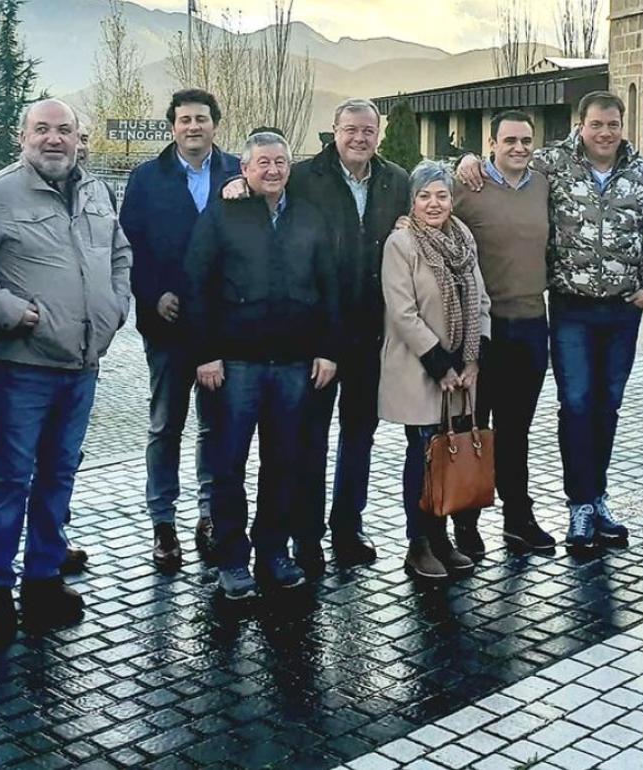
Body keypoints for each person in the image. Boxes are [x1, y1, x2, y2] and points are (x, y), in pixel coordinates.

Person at [458, 90, 643, 551]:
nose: (605, 132)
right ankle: (574, 506)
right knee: (574, 404)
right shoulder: (552, 164)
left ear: (621, 126)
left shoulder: (642, 172)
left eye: (613, 124)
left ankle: (596, 498)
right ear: (581, 125)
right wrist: (468, 159)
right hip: (569, 308)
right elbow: (504, 162)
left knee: (605, 406)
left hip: (619, 311)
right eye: (597, 124)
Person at [0, 98, 132, 645]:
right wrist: (9, 311)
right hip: (23, 366)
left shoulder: (96, 191)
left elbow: (120, 254)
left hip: (83, 365)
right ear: (22, 135)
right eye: (42, 130)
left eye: (65, 130)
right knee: (11, 476)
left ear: (81, 138)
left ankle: (42, 577)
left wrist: (115, 307)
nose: (54, 139)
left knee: (60, 472)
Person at [224, 99, 410, 577]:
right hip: (317, 332)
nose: (360, 139)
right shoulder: (307, 177)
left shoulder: (396, 181)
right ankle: (305, 533)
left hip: (373, 331)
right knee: (307, 438)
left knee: (359, 435)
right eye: (351, 130)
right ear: (334, 131)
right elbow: (265, 193)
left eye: (368, 131)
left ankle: (348, 525)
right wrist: (238, 185)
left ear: (378, 135)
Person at [182, 131, 340, 600]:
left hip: (294, 364)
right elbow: (197, 284)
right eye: (263, 163)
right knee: (228, 465)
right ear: (244, 170)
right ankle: (232, 558)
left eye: (280, 162)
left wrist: (328, 349)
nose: (273, 170)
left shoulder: (309, 217)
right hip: (235, 365)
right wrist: (204, 353)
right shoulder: (224, 213)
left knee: (284, 463)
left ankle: (273, 550)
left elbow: (329, 287)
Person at [120, 89, 242, 573]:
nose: (194, 126)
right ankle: (163, 523)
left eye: (202, 119)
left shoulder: (237, 173)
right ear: (172, 126)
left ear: (216, 124)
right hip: (168, 326)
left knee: (215, 427)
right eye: (185, 119)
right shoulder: (147, 178)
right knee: (165, 425)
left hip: (221, 329)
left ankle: (210, 516)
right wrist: (153, 294)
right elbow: (128, 246)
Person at [450, 110, 555, 557]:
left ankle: (518, 517)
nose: (519, 147)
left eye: (526, 140)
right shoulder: (467, 188)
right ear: (492, 143)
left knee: (517, 429)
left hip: (531, 323)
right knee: (473, 426)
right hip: (481, 330)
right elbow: (425, 215)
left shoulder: (545, 186)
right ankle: (466, 524)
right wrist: (463, 161)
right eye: (509, 140)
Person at [380, 160, 491, 581]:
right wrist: (440, 365)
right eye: (424, 195)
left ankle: (442, 537)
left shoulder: (463, 238)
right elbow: (403, 312)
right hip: (420, 368)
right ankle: (419, 542)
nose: (434, 203)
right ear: (413, 199)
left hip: (461, 373)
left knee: (449, 454)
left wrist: (473, 358)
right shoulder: (401, 244)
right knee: (423, 454)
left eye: (441, 195)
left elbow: (481, 300)